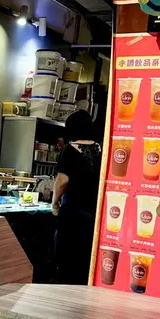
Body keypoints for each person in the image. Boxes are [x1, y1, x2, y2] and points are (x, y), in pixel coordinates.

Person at [52, 110, 102, 285]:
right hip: (94, 213)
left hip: (72, 212)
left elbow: (62, 181)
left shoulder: (69, 149)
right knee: (85, 259)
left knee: (67, 258)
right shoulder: (100, 149)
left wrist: (54, 203)